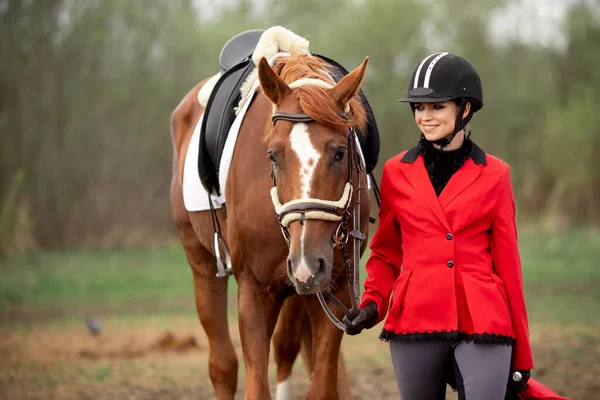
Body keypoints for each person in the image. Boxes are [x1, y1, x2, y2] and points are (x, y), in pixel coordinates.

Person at [343, 52, 534, 399]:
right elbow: (386, 254)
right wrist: (372, 305)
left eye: (437, 107)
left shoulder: (496, 175)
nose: (425, 117)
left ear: (465, 109)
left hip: (483, 317)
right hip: (416, 313)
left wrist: (522, 354)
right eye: (419, 108)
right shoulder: (395, 172)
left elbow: (509, 266)